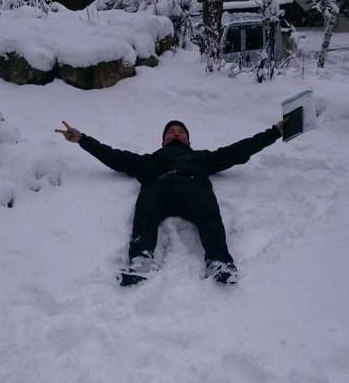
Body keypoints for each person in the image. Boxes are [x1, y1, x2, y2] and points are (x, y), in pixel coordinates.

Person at [55, 118, 284, 286]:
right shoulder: (150, 160)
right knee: (145, 208)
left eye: (181, 132)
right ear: (163, 140)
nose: (176, 134)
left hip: (192, 184)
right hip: (159, 186)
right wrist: (82, 140)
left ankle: (219, 261)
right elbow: (114, 156)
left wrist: (274, 133)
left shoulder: (200, 157)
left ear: (188, 140)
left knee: (208, 212)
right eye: (171, 132)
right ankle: (141, 260)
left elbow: (237, 151)